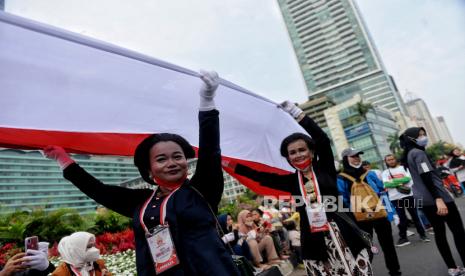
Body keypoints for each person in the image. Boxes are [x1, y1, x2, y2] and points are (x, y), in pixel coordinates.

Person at [44, 71, 240, 276]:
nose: (172, 163)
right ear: (149, 169)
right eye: (161, 159)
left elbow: (210, 149)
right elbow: (99, 191)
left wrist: (207, 99)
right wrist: (63, 159)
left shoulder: (202, 190)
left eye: (177, 156)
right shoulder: (142, 202)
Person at [225, 102, 372, 276]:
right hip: (314, 238)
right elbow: (260, 177)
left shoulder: (325, 168)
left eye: (302, 150)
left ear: (311, 152)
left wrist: (298, 113)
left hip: (343, 231)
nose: (298, 154)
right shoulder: (290, 181)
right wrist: (231, 165)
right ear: (288, 158)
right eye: (292, 152)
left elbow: (323, 140)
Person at [400, 127, 465, 276]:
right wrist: (439, 199)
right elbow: (426, 176)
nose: (424, 137)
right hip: (438, 198)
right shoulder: (418, 153)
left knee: (440, 234)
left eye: (424, 134)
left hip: (424, 200)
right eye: (420, 135)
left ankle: (453, 268)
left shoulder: (409, 154)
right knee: (458, 231)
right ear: (411, 139)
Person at [337, 148, 401, 276]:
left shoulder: (370, 174)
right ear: (345, 159)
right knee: (364, 250)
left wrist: (391, 212)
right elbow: (341, 202)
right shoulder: (341, 179)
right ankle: (365, 273)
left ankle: (395, 272)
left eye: (358, 156)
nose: (357, 158)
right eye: (353, 156)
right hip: (359, 219)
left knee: (388, 246)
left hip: (379, 216)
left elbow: (382, 193)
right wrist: (349, 222)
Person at [381, 154, 430, 247]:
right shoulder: (385, 173)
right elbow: (386, 185)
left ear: (395, 159)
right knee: (402, 218)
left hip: (407, 196)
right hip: (396, 198)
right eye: (388, 160)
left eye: (392, 159)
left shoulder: (404, 168)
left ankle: (422, 235)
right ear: (386, 162)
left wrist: (394, 182)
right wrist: (402, 180)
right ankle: (403, 238)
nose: (391, 161)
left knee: (415, 216)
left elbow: (409, 181)